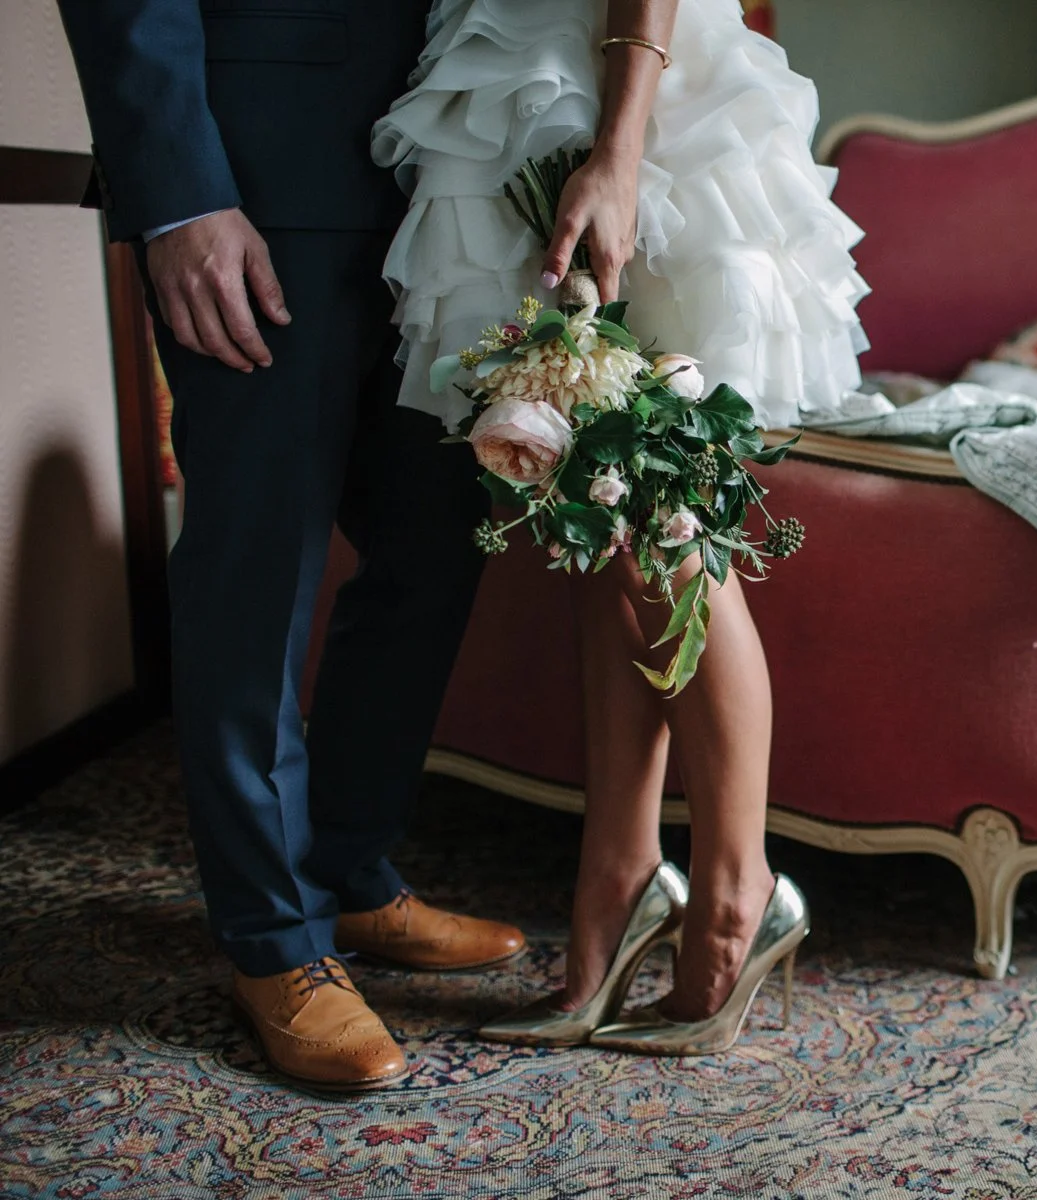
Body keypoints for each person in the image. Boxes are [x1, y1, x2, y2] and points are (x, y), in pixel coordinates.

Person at [373, 0, 867, 1053]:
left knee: (663, 513)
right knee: (596, 529)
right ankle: (620, 879)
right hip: (523, 68)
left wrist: (620, 147)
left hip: (625, 90)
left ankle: (740, 895)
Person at [56, 0, 528, 1091]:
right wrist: (179, 197)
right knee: (258, 569)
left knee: (437, 544)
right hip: (255, 172)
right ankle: (276, 940)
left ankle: (351, 872)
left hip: (453, 179)